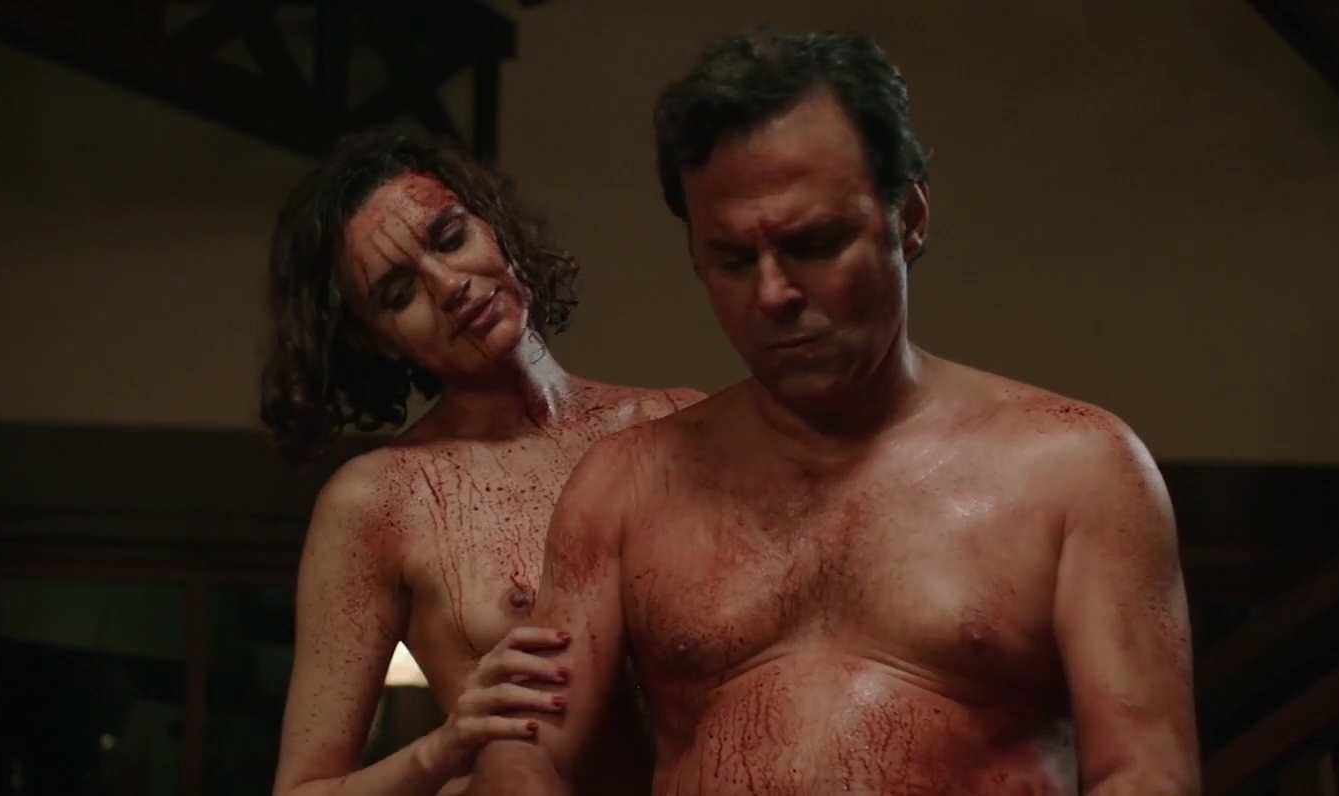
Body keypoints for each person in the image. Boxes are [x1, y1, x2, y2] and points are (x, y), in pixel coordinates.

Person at [468, 30, 1200, 795]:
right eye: (733, 260)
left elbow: (1145, 772)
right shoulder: (625, 488)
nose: (773, 294)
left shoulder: (1079, 469)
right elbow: (526, 751)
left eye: (814, 243)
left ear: (908, 216)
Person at [265, 126, 700, 796]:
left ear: (493, 226)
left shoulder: (678, 423)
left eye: (450, 238)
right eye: (399, 293)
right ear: (374, 340)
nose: (449, 286)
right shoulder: (382, 500)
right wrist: (446, 747)